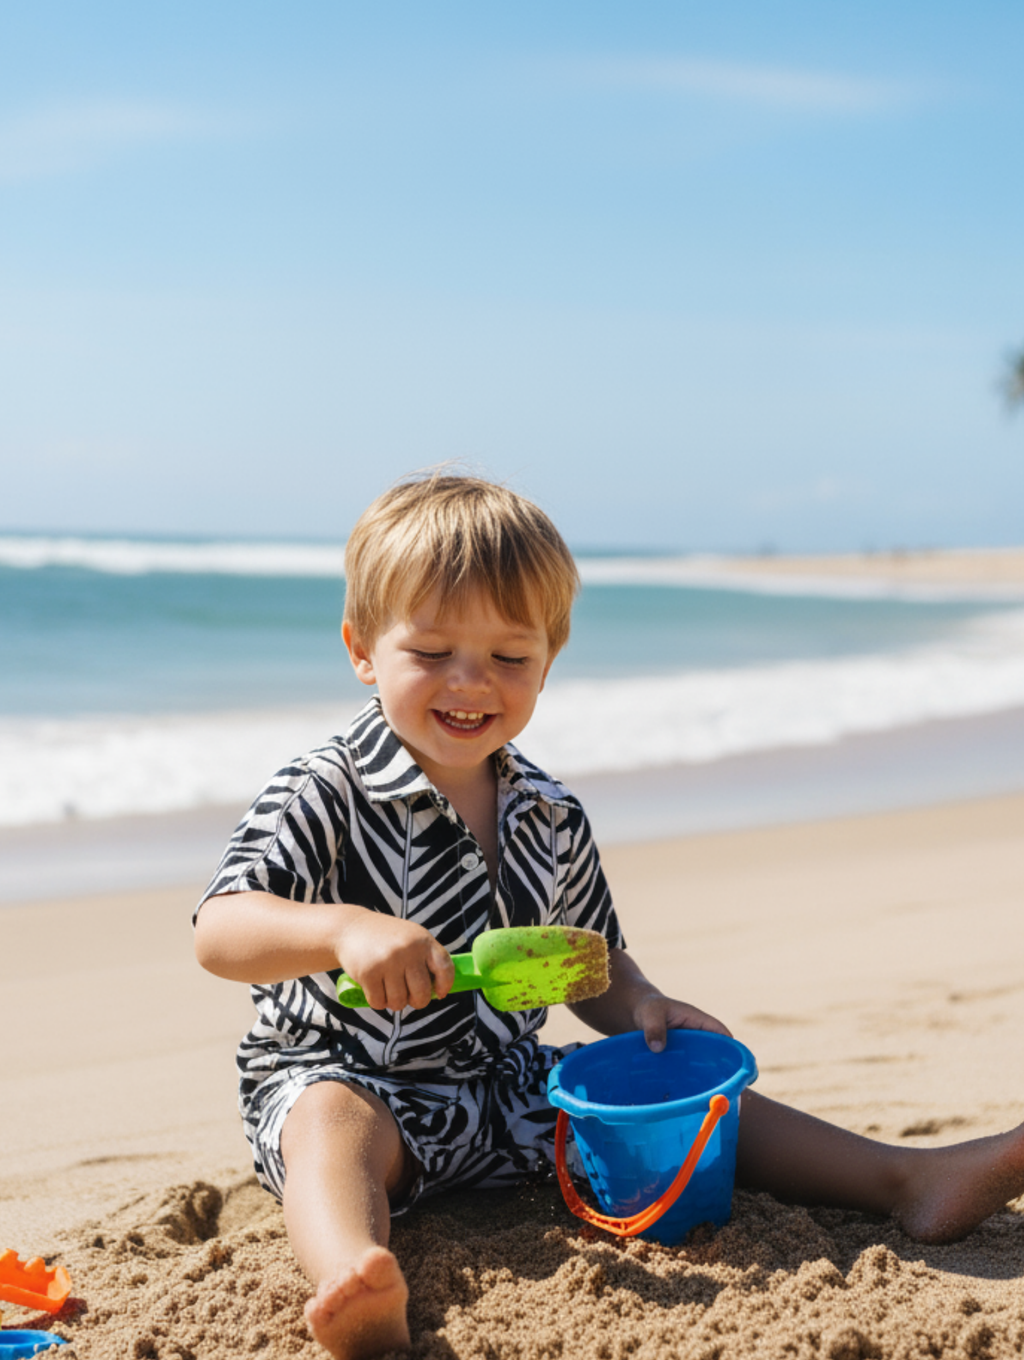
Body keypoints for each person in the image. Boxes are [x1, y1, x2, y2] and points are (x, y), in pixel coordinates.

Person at [194, 473, 1024, 1360]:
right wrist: (339, 931)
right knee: (329, 1120)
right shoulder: (323, 790)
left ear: (548, 661)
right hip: (351, 1076)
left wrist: (642, 1008)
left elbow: (589, 966)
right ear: (364, 649)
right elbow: (220, 930)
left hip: (505, 1088)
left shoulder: (548, 813)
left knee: (669, 1092)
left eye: (509, 659)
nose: (470, 683)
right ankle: (353, 1276)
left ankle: (907, 1177)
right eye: (432, 651)